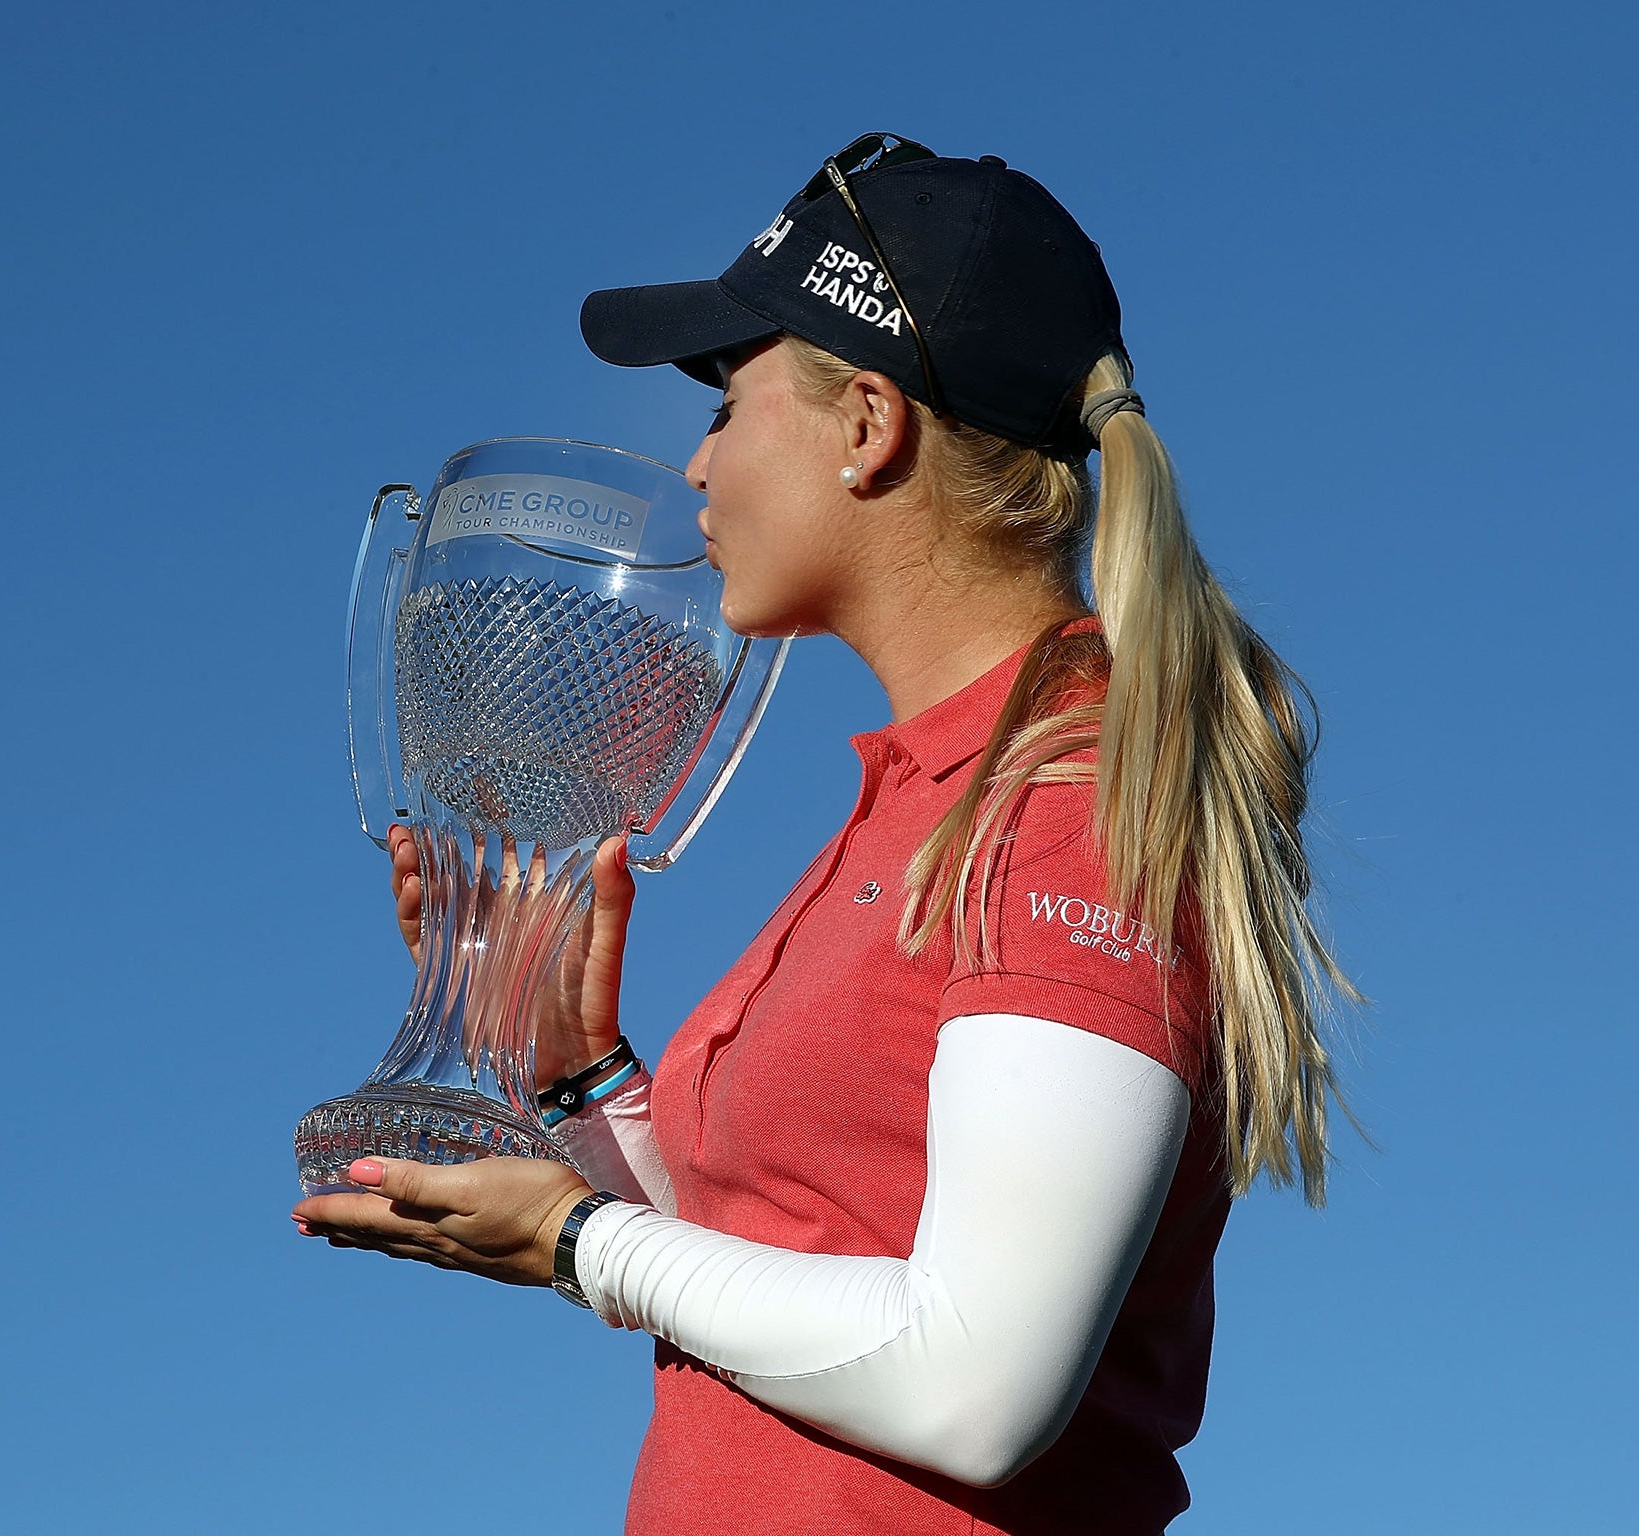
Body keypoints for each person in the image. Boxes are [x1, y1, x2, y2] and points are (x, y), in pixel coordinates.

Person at [295, 133, 1354, 1535]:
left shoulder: (1067, 799)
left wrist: (571, 1241)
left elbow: (980, 1377)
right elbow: (785, 1260)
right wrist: (580, 1085)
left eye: (729, 406)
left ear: (868, 426)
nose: (699, 462)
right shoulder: (924, 794)